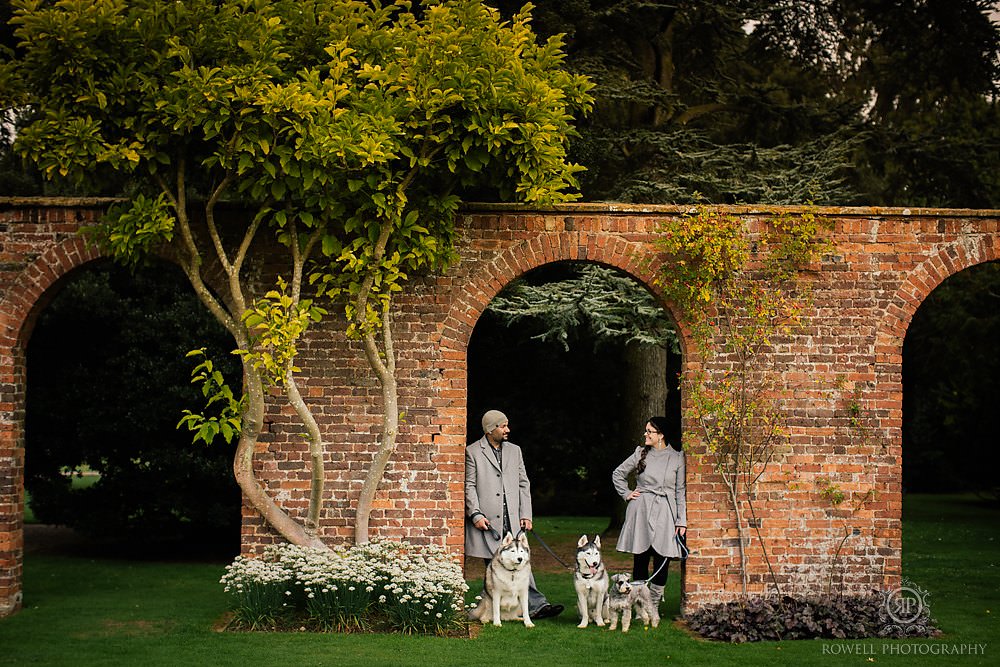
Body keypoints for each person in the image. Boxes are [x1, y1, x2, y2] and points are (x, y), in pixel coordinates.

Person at [465, 409, 564, 620]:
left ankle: (535, 605)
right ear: (491, 429)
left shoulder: (515, 451)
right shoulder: (473, 451)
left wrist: (526, 514)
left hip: (513, 518)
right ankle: (498, 609)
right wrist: (475, 514)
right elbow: (469, 486)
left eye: (507, 425)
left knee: (520, 560)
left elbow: (523, 483)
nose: (507, 429)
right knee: (495, 568)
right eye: (503, 426)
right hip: (488, 521)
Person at [611, 415, 687, 608]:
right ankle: (640, 605)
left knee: (663, 558)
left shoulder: (677, 458)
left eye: (649, 431)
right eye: (646, 431)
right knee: (641, 558)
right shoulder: (639, 453)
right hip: (642, 510)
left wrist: (681, 521)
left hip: (666, 512)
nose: (645, 434)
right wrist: (627, 494)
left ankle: (653, 604)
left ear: (661, 435)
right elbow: (618, 474)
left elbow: (680, 491)